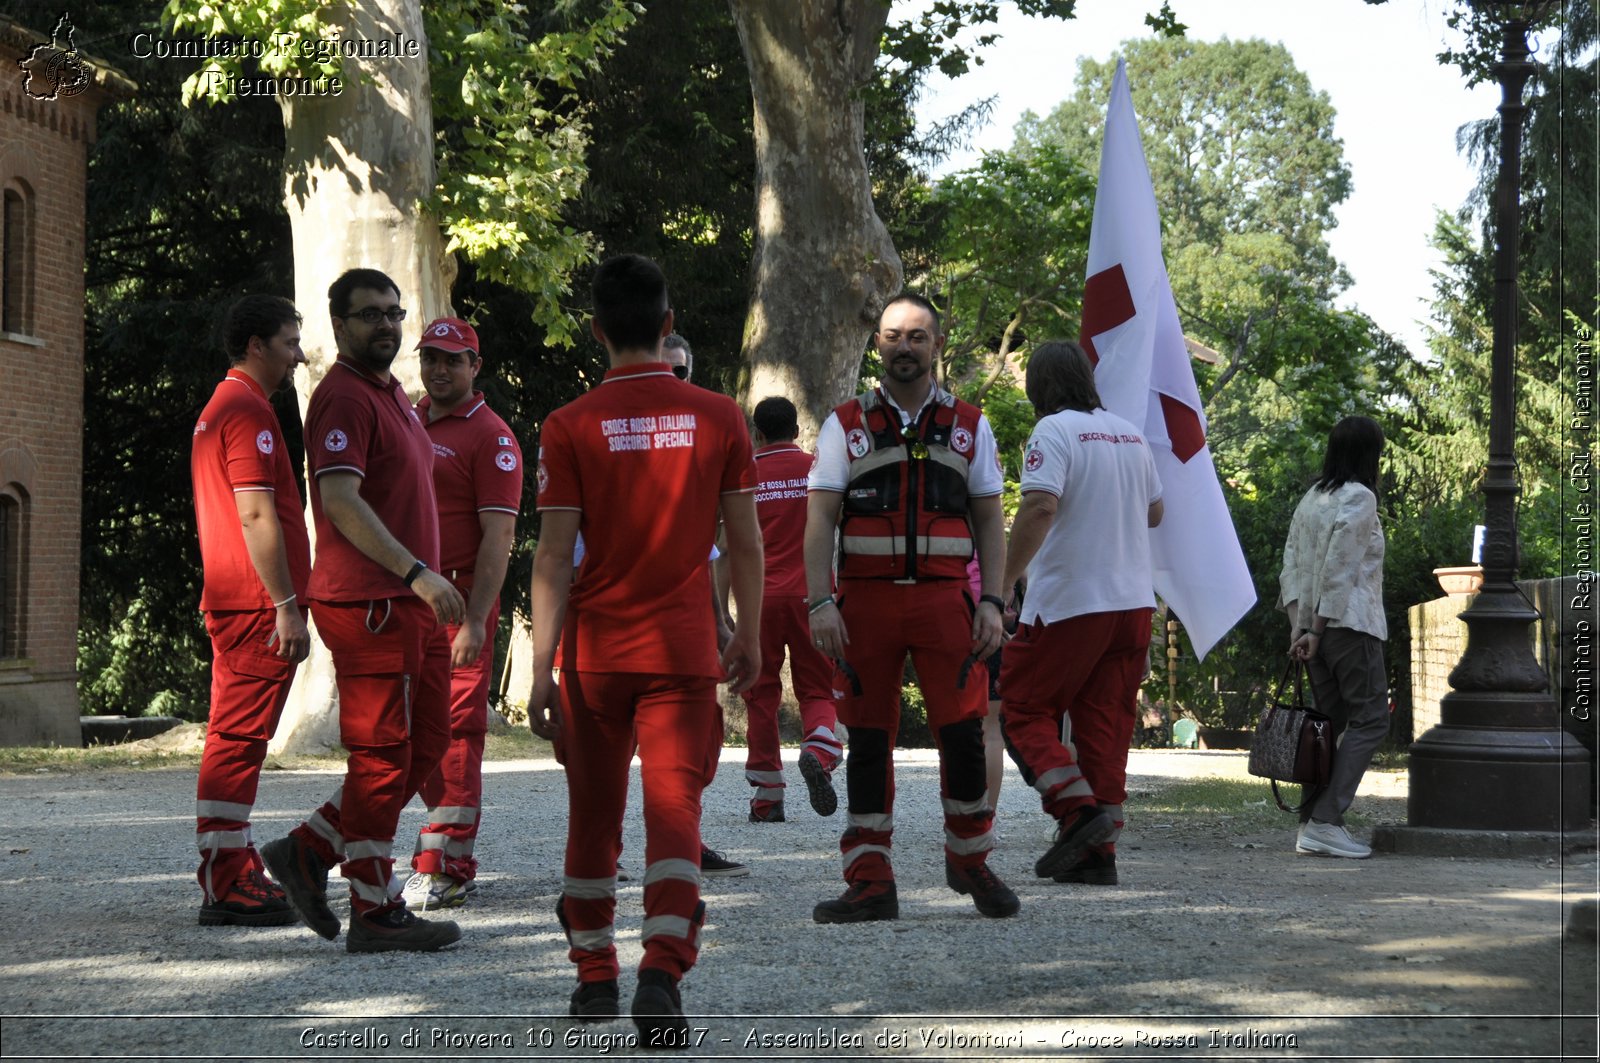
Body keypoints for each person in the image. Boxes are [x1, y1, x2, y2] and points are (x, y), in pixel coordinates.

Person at [527, 254, 762, 1038]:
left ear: (596, 332)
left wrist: (539, 668)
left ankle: (595, 976)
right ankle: (663, 967)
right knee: (674, 811)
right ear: (667, 326)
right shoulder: (721, 416)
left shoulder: (567, 426)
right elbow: (746, 542)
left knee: (592, 815)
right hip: (683, 651)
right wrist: (750, 632)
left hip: (594, 655)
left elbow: (554, 556)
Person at [261, 268, 466, 954]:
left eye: (393, 311)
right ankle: (375, 910)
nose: (386, 323)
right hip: (376, 601)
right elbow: (341, 501)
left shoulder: (391, 396)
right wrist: (414, 572)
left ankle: (310, 846)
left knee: (426, 745)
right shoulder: (342, 396)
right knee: (382, 756)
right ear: (340, 325)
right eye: (369, 313)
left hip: (411, 603)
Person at [805, 292, 1017, 922]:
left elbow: (990, 520)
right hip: (863, 605)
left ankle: (971, 860)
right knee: (868, 738)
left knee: (963, 735)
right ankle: (870, 879)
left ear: (937, 345)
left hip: (946, 602)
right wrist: (820, 601)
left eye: (917, 336)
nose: (904, 346)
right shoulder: (844, 424)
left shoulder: (971, 424)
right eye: (893, 335)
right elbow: (819, 521)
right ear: (877, 344)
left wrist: (993, 602)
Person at [997, 341, 1164, 888]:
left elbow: (1041, 505)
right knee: (1105, 726)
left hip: (1072, 601)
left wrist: (1000, 586)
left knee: (1022, 709)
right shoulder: (1129, 434)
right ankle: (1099, 853)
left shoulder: (1053, 432)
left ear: (1037, 388)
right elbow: (1156, 510)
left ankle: (1076, 813)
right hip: (1133, 602)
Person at [189, 294, 311, 926]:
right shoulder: (246, 411)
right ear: (258, 345)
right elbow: (255, 511)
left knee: (236, 737)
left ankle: (228, 866)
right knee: (238, 739)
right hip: (257, 605)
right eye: (290, 342)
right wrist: (287, 605)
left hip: (242, 601)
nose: (298, 354)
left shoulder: (228, 405)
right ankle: (227, 879)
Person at [401, 318, 522, 910]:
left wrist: (476, 620)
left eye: (453, 360)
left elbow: (498, 537)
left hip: (458, 603)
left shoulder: (491, 437)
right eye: (430, 358)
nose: (439, 370)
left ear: (475, 366)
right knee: (404, 729)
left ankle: (447, 862)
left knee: (454, 733)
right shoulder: (406, 417)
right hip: (406, 600)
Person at [1277, 414, 1389, 860]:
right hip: (1348, 626)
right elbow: (1340, 570)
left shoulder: (1312, 498)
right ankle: (1326, 821)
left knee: (1327, 724)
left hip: (1312, 630)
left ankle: (1311, 822)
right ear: (1370, 455)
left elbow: (1291, 567)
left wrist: (1300, 630)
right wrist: (1318, 631)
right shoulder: (1360, 498)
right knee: (1372, 719)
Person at [739, 396, 842, 824]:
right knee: (818, 686)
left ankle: (767, 799)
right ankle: (819, 748)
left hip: (760, 599)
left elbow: (731, 547)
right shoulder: (815, 469)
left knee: (761, 690)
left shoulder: (745, 474)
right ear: (797, 432)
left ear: (756, 433)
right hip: (812, 596)